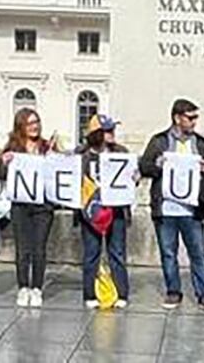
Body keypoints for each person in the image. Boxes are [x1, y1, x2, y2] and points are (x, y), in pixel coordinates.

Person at [139, 98, 204, 312]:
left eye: (196, 118)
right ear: (177, 118)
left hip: (193, 209)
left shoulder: (200, 143)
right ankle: (173, 291)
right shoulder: (159, 141)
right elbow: (144, 165)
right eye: (190, 117)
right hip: (166, 208)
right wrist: (158, 165)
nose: (194, 122)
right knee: (168, 252)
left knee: (198, 253)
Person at [0, 106, 55, 307]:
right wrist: (4, 163)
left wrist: (55, 159)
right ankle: (23, 287)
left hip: (43, 205)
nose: (35, 127)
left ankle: (37, 288)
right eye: (30, 123)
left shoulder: (47, 147)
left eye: (37, 122)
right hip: (20, 205)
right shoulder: (13, 147)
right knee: (23, 249)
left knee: (39, 248)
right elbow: (1, 175)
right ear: (21, 125)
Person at [76, 114, 127, 309]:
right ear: (97, 134)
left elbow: (131, 176)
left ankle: (121, 292)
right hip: (91, 211)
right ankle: (90, 294)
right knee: (91, 253)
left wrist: (134, 176)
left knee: (117, 252)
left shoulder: (121, 152)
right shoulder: (81, 155)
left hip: (117, 211)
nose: (113, 133)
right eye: (108, 130)